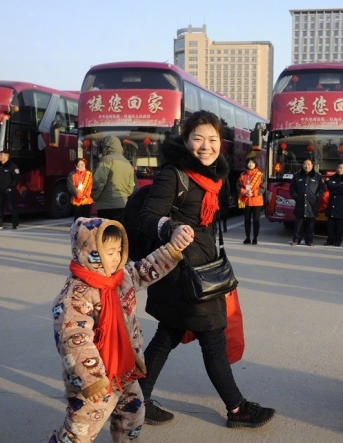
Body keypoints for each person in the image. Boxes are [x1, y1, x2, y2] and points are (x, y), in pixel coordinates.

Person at [137, 110, 275, 428]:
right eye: (198, 138)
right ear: (186, 140)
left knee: (168, 333)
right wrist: (170, 227)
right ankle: (237, 409)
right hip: (180, 273)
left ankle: (137, 398)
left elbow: (207, 225)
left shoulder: (214, 177)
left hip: (202, 268)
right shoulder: (174, 174)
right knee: (212, 336)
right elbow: (147, 216)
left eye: (212, 139)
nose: (206, 146)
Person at [46, 217, 185, 442]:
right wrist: (93, 379)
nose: (116, 258)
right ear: (89, 252)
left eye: (119, 251)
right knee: (80, 431)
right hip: (94, 379)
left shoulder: (122, 277)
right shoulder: (75, 296)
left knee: (132, 415)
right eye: (109, 252)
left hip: (124, 367)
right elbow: (74, 340)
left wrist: (172, 250)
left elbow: (145, 269)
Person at [91, 135, 135, 221]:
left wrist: (94, 196)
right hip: (123, 204)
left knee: (107, 229)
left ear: (107, 147)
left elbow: (99, 181)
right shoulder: (127, 162)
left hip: (106, 205)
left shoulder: (107, 159)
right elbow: (130, 187)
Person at [290, 158, 325, 246]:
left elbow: (322, 188)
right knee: (298, 223)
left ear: (312, 165)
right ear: (302, 165)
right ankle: (296, 240)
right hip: (300, 202)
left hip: (311, 203)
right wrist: (296, 197)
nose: (307, 166)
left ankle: (309, 240)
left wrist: (317, 197)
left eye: (309, 164)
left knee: (310, 224)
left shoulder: (317, 176)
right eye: (305, 164)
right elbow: (292, 188)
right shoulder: (297, 176)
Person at [237, 157, 266, 244]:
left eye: (252, 163)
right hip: (246, 200)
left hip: (257, 201)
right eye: (249, 163)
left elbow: (263, 187)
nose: (250, 164)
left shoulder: (260, 175)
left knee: (256, 220)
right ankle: (247, 237)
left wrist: (253, 193)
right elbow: (238, 186)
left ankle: (255, 238)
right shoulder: (243, 175)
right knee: (247, 220)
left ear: (255, 164)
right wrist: (245, 192)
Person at [0, 150, 20, 230]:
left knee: (11, 206)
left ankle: (15, 223)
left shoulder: (12, 166)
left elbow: (16, 178)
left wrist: (10, 187)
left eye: (1, 155)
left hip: (8, 190)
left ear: (6, 156)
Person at [324, 162, 343, 246]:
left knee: (339, 224)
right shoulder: (332, 178)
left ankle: (337, 241)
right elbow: (329, 186)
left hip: (340, 204)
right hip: (332, 203)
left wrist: (334, 187)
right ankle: (330, 240)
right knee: (330, 224)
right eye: (338, 168)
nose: (339, 169)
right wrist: (338, 186)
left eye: (341, 168)